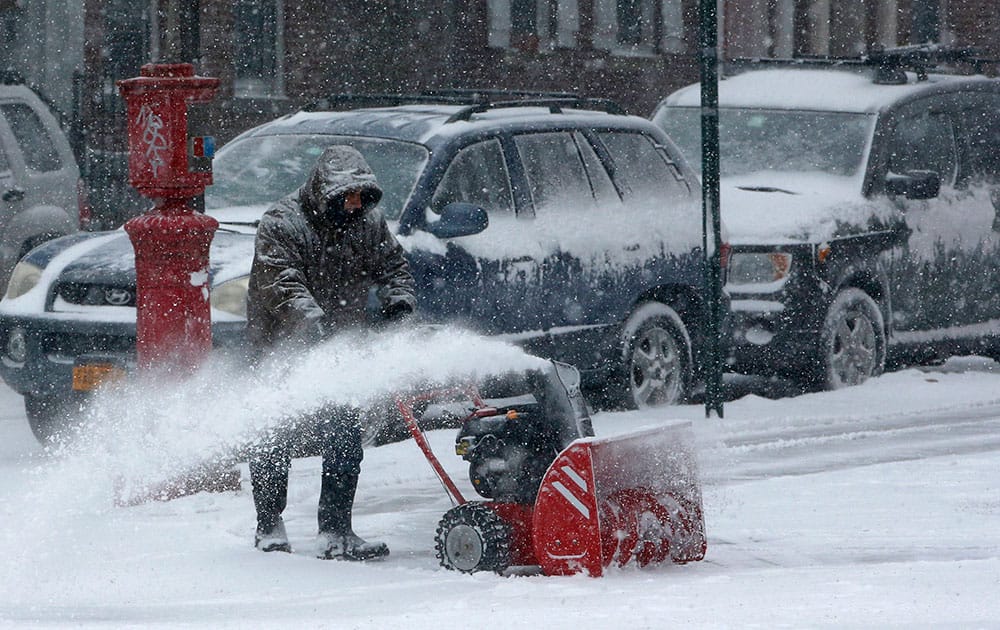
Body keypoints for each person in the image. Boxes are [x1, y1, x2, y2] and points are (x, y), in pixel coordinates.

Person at [245, 145, 416, 560]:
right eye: (347, 197)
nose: (355, 205)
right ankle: (269, 525)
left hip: (339, 346)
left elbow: (394, 266)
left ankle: (336, 531)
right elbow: (282, 284)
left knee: (342, 435)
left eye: (362, 197)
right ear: (326, 191)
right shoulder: (282, 223)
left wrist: (398, 302)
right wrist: (315, 324)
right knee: (274, 435)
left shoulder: (367, 224)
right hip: (280, 347)